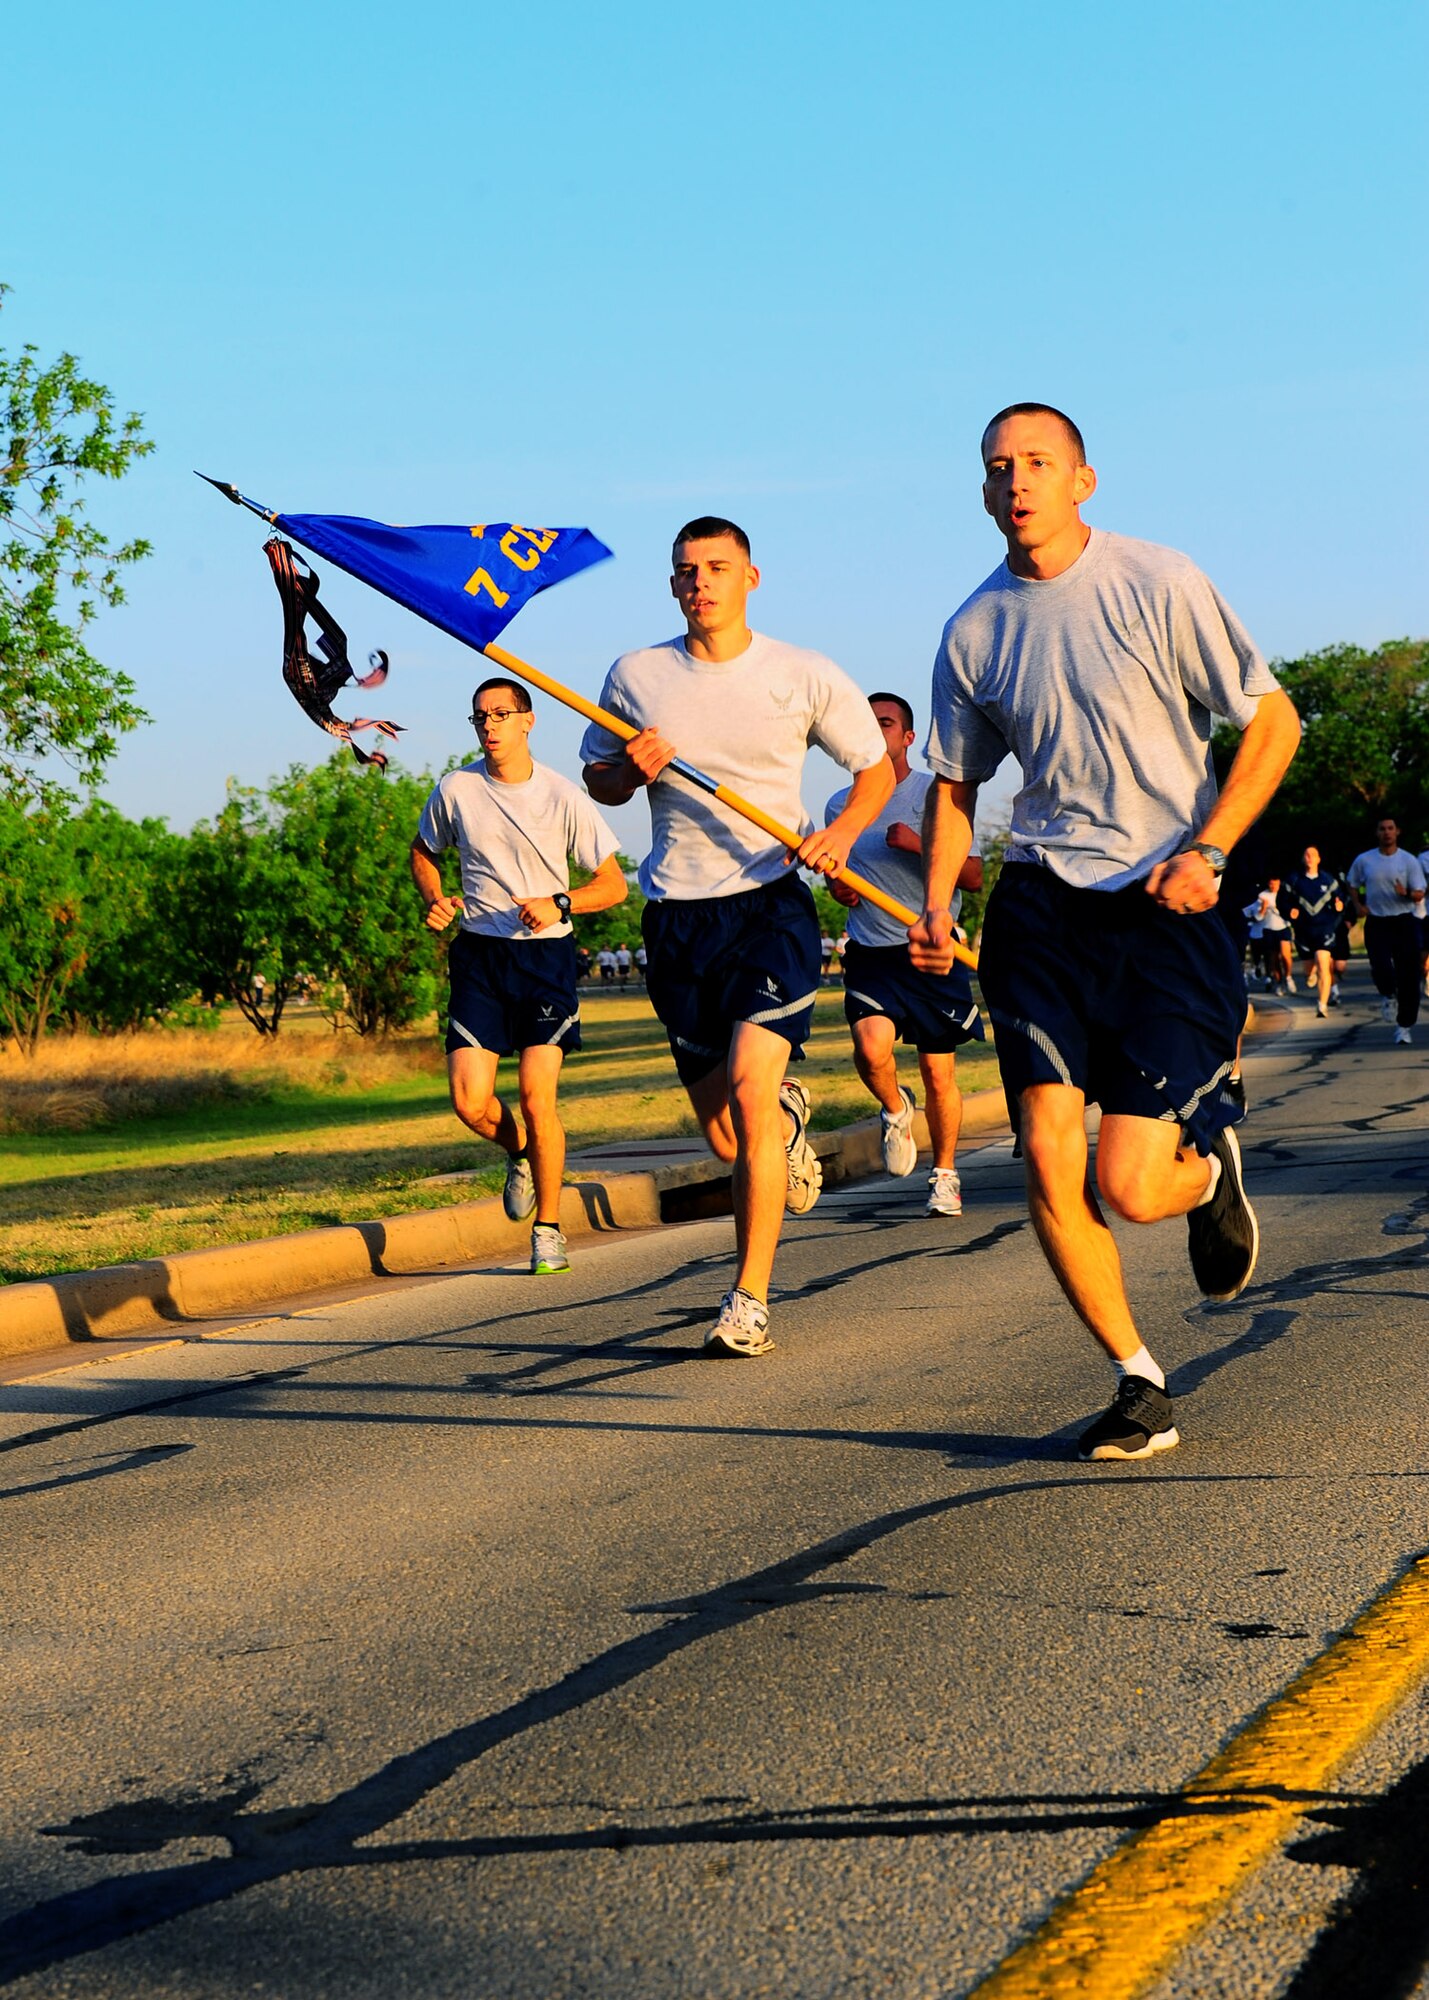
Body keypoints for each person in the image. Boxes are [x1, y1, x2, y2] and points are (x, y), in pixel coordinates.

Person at [912, 403, 1300, 1462]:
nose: (1017, 480)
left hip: (1165, 897)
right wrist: (942, 901)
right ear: (983, 491)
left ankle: (1207, 1172)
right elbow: (955, 786)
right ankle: (1138, 1379)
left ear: (1083, 480)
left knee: (1127, 1185)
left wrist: (1211, 847)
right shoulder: (973, 630)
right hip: (1040, 907)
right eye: (998, 467)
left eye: (1038, 462)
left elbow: (1274, 720)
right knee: (1044, 1153)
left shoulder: (1155, 580)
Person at [582, 515, 892, 1356]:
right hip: (676, 921)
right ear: (672, 584)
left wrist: (838, 836)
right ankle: (782, 1128)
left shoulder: (799, 671)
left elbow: (875, 769)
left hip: (767, 904)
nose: (701, 583)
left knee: (750, 1099)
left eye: (717, 567)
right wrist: (626, 770)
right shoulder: (634, 676)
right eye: (686, 571)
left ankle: (747, 1299)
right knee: (726, 1135)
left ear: (750, 577)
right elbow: (599, 782)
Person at [411, 676, 628, 1275]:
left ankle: (550, 1229)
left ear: (528, 721)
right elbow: (423, 850)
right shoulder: (456, 788)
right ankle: (524, 1156)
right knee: (469, 1101)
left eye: (501, 714)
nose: (489, 725)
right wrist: (434, 896)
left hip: (543, 958)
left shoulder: (561, 795)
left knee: (537, 1097)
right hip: (480, 957)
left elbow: (612, 885)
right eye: (480, 716)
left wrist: (561, 902)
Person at [825, 692, 985, 1215]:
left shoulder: (934, 795)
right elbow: (841, 881)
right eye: (866, 725)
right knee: (871, 1052)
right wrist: (841, 890)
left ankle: (944, 1175)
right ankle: (895, 1109)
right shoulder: (838, 805)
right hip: (871, 948)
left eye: (886, 723)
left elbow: (976, 877)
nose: (876, 732)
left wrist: (918, 843)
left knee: (939, 1073)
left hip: (931, 948)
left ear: (908, 737)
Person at [1346, 816, 1427, 1044]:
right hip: (1377, 921)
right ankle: (1388, 993)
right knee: (1381, 967)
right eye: (1382, 829)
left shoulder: (1409, 861)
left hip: (1404, 920)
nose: (1387, 832)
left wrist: (1406, 893)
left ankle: (1404, 1026)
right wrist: (1358, 905)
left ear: (1397, 832)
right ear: (1377, 833)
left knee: (1409, 976)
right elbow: (1351, 883)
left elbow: (1420, 892)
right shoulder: (1365, 860)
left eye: (1391, 828)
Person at [1284, 846, 1346, 1016]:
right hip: (1303, 930)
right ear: (1303, 859)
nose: (1310, 857)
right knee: (1309, 968)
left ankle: (1322, 1004)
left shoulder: (1328, 880)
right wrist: (1289, 911)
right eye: (1307, 854)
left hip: (1324, 928)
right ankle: (1309, 974)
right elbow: (1283, 900)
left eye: (1313, 855)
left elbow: (1340, 898)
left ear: (1319, 859)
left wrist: (1339, 906)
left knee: (1323, 964)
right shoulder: (1295, 880)